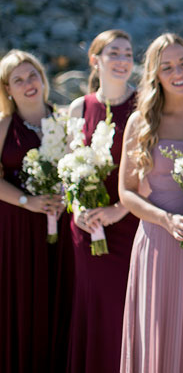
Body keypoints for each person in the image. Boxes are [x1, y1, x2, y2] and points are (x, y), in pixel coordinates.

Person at [118, 33, 183, 372]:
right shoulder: (141, 122)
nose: (178, 72)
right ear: (155, 74)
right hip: (159, 242)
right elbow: (127, 192)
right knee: (160, 335)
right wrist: (166, 220)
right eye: (167, 67)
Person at [67, 29, 140, 373]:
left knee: (127, 309)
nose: (123, 61)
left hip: (131, 223)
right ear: (95, 60)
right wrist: (78, 208)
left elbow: (151, 170)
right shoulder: (79, 108)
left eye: (128, 54)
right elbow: (69, 168)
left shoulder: (144, 104)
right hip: (89, 227)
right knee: (95, 310)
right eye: (114, 53)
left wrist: (120, 209)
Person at [0, 50, 72, 373]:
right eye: (19, 80)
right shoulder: (3, 127)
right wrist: (29, 202)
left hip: (61, 227)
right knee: (20, 304)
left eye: (33, 76)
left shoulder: (65, 120)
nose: (28, 84)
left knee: (58, 300)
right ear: (8, 89)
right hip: (15, 230)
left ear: (43, 79)